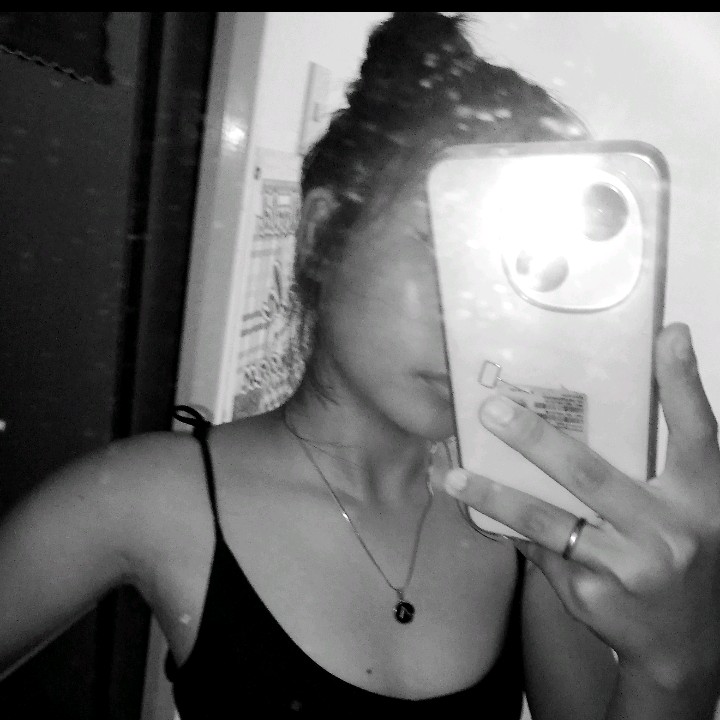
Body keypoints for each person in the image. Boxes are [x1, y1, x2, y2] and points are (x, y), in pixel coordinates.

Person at [2, 11, 720, 719]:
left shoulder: (522, 521)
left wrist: (677, 670)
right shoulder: (144, 498)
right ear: (321, 237)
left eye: (513, 278)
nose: (478, 320)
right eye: (441, 248)